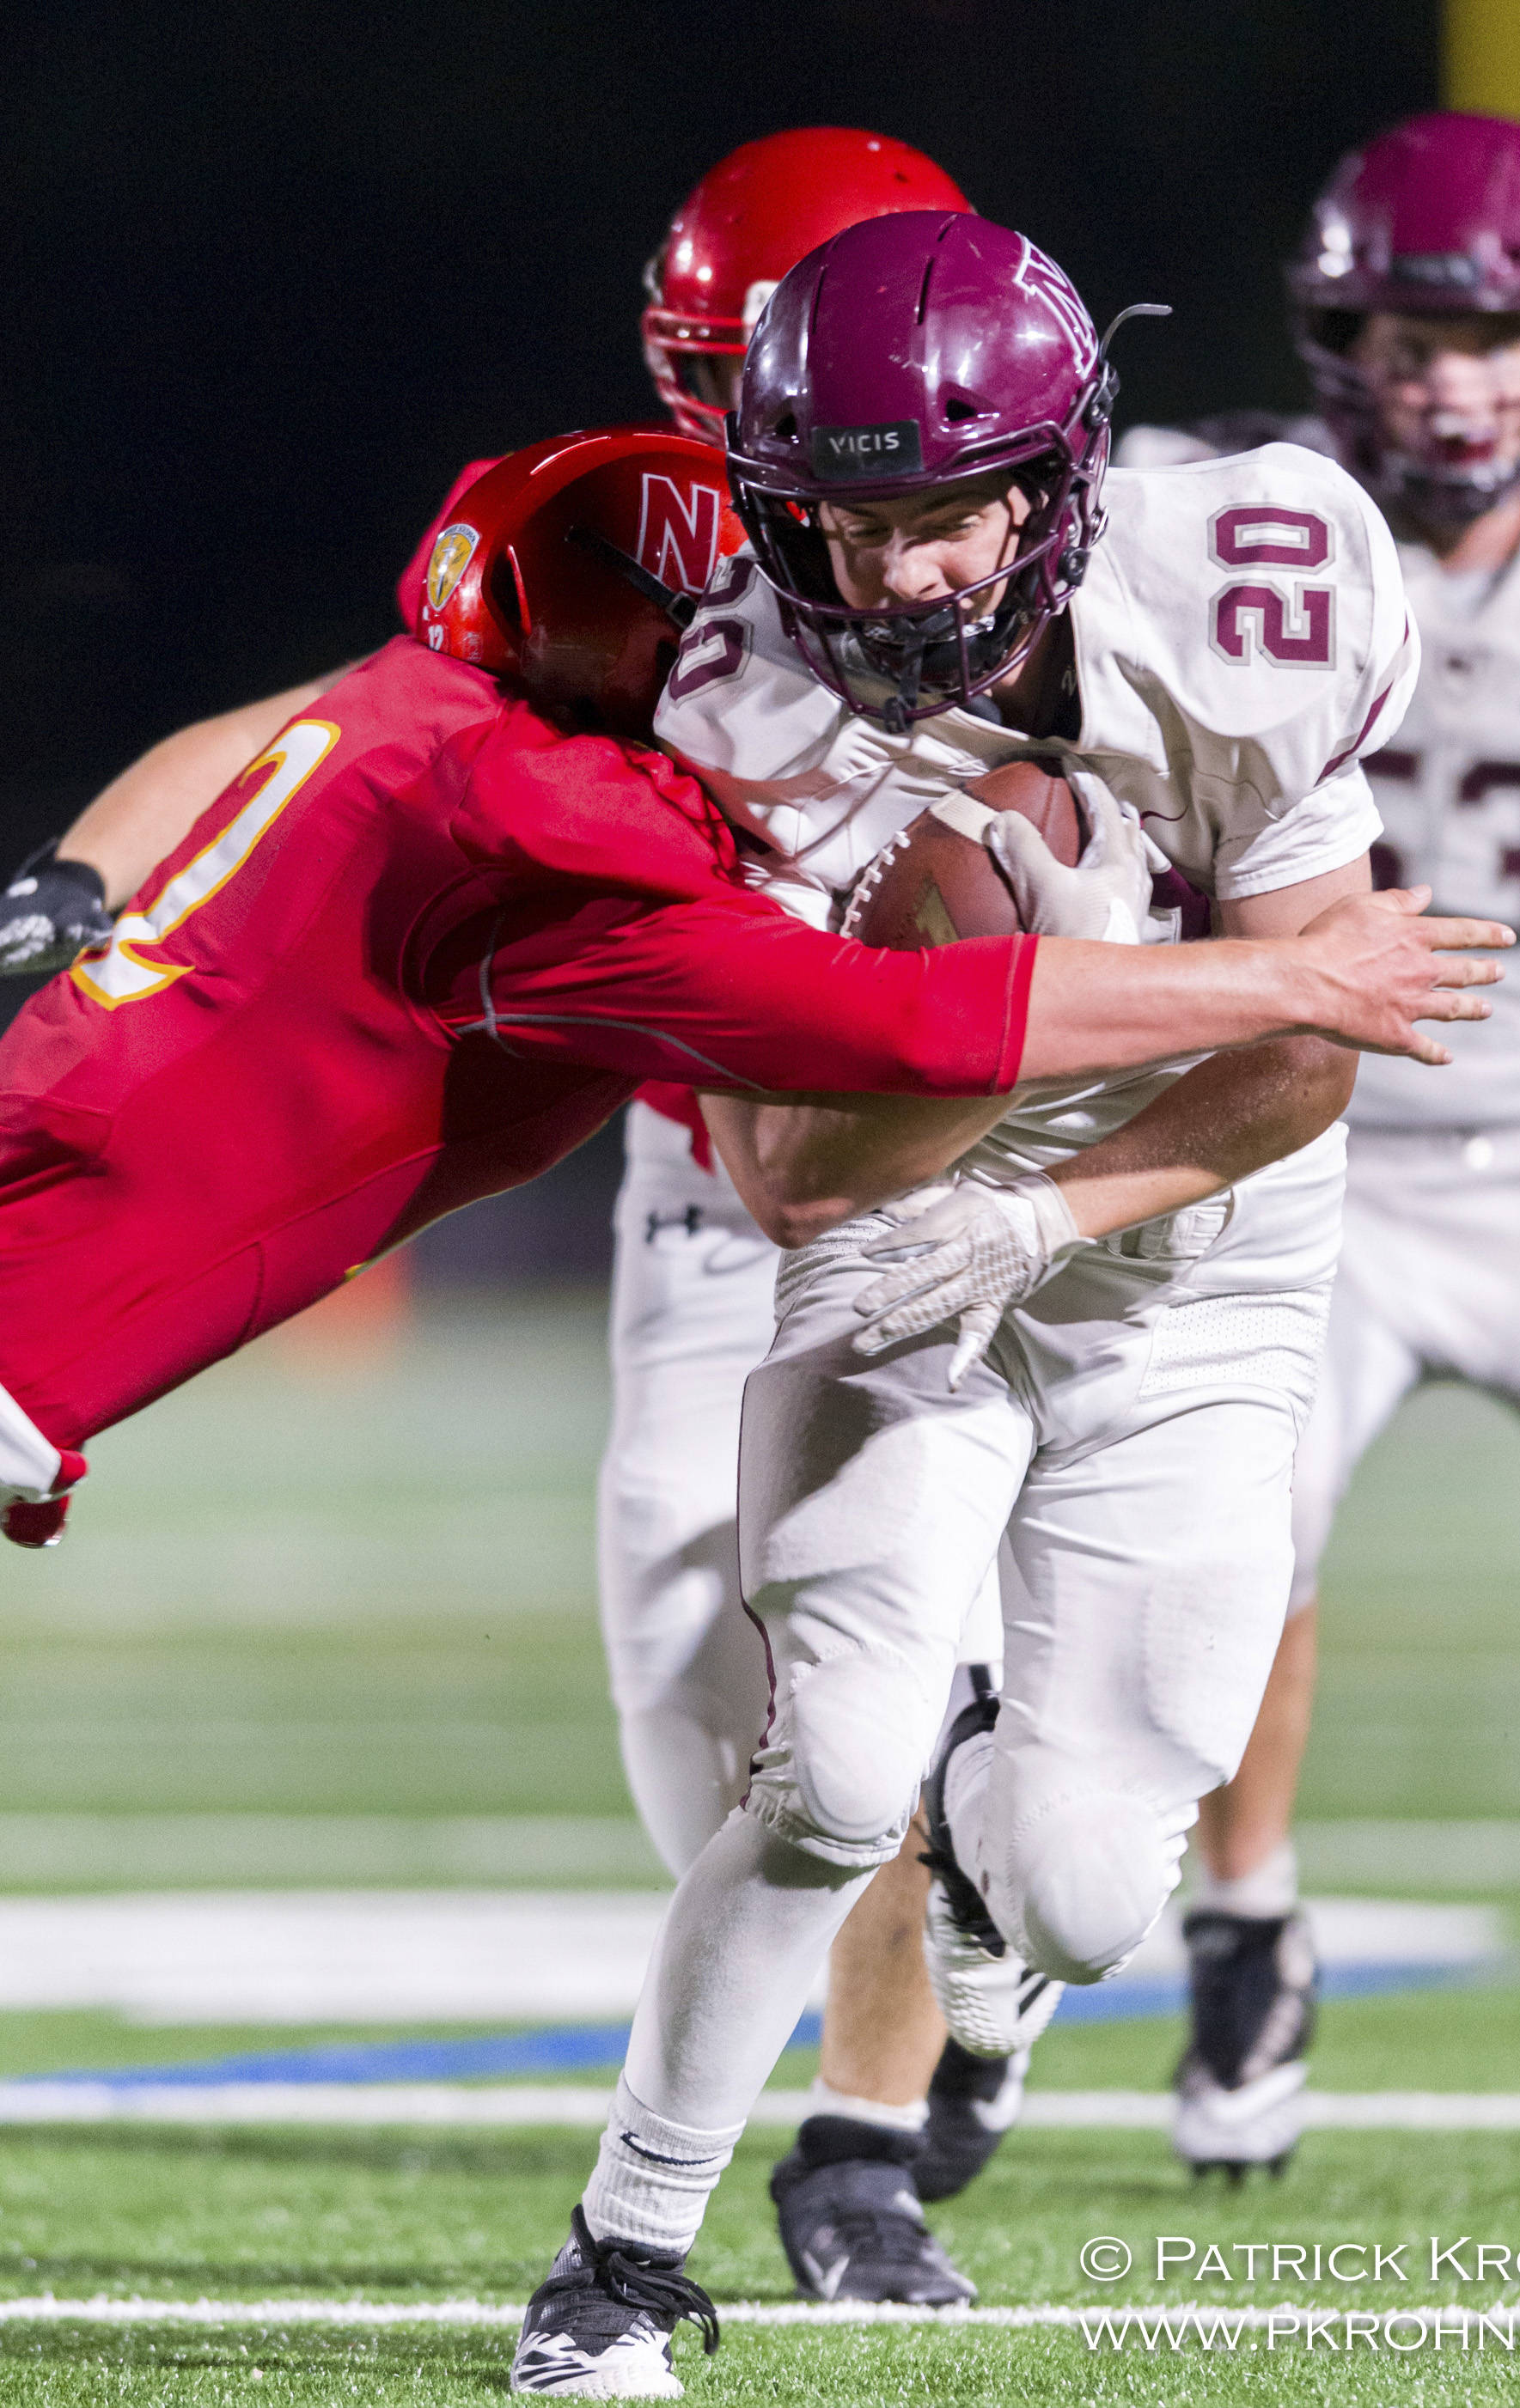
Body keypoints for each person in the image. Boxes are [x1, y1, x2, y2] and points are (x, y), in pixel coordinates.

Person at [0, 127, 1026, 2304]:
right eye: (731, 372)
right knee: (697, 1678)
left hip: (989, 1129)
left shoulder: (1016, 531)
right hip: (707, 1128)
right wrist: (85, 882)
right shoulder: (640, 543)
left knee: (930, 1681)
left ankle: (863, 2129)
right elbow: (330, 726)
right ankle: (880, 2001)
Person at [504, 211, 1511, 2398]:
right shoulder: (733, 705)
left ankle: (988, 1859)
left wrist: (1054, 1204)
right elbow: (778, 1168)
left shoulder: (1258, 585)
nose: (896, 579)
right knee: (823, 1770)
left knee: (1076, 1897)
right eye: (846, 527)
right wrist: (969, 1032)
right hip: (891, 1224)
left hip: (1200, 1257)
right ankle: (619, 2253)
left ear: (1057, 483)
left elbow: (1307, 1055)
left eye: (947, 511)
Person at [0, 424, 1488, 1563]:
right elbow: (896, 1022)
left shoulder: (419, 707)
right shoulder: (551, 834)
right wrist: (1285, 974)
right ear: (640, 629)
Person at [1114, 112, 1520, 2179]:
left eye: (1500, 332)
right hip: (1299, 1150)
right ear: (1332, 330)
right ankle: (1245, 1922)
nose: (1451, 375)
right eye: (1405, 327)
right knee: (1221, 1555)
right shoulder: (1208, 518)